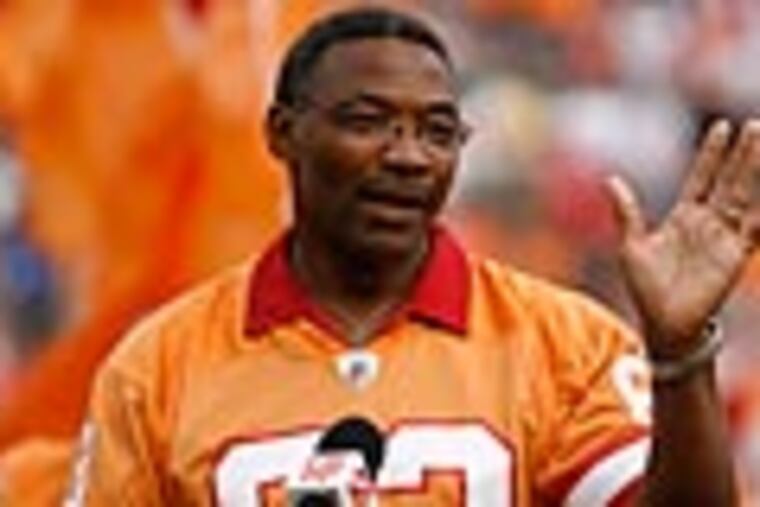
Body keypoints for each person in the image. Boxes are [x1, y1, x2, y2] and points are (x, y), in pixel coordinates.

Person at [64, 6, 759, 506]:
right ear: (283, 133)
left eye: (437, 131)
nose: (407, 156)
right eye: (368, 122)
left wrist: (679, 355)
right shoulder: (159, 367)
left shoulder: (567, 345)